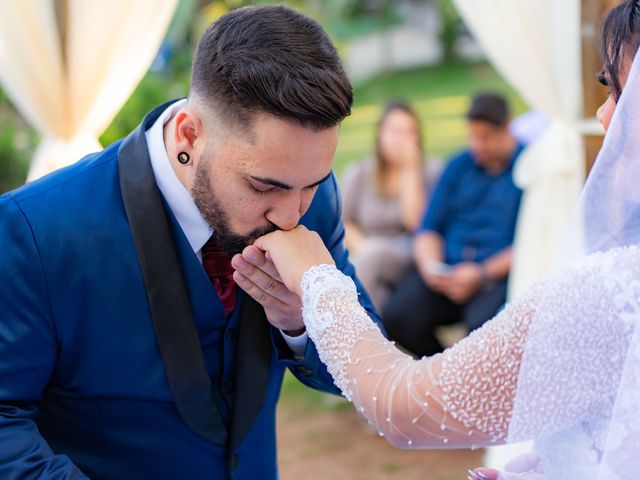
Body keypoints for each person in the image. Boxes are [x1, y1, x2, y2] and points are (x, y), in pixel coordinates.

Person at [246, 1, 640, 478]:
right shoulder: (454, 170)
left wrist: (317, 279)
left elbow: (402, 404)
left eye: (619, 92)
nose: (602, 115)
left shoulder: (614, 293)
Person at [0, 6, 380, 479]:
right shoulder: (36, 229)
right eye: (264, 186)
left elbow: (364, 367)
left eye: (312, 183)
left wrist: (303, 322)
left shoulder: (313, 203)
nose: (290, 215)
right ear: (189, 134)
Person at [383, 93, 524, 358]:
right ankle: (444, 374)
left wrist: (482, 273)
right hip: (447, 271)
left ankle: (472, 384)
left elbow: (531, 242)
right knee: (398, 315)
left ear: (506, 128)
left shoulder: (529, 167)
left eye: (485, 138)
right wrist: (431, 268)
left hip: (495, 276)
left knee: (482, 333)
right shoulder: (459, 165)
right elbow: (428, 228)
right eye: (472, 136)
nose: (477, 145)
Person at [341, 100, 440, 311]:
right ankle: (377, 336)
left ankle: (356, 333)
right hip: (368, 250)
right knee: (377, 286)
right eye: (395, 131)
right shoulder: (361, 171)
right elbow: (344, 221)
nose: (400, 140)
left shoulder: (430, 170)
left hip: (410, 251)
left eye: (408, 132)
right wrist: (365, 248)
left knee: (370, 259)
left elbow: (416, 223)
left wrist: (410, 171)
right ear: (380, 134)